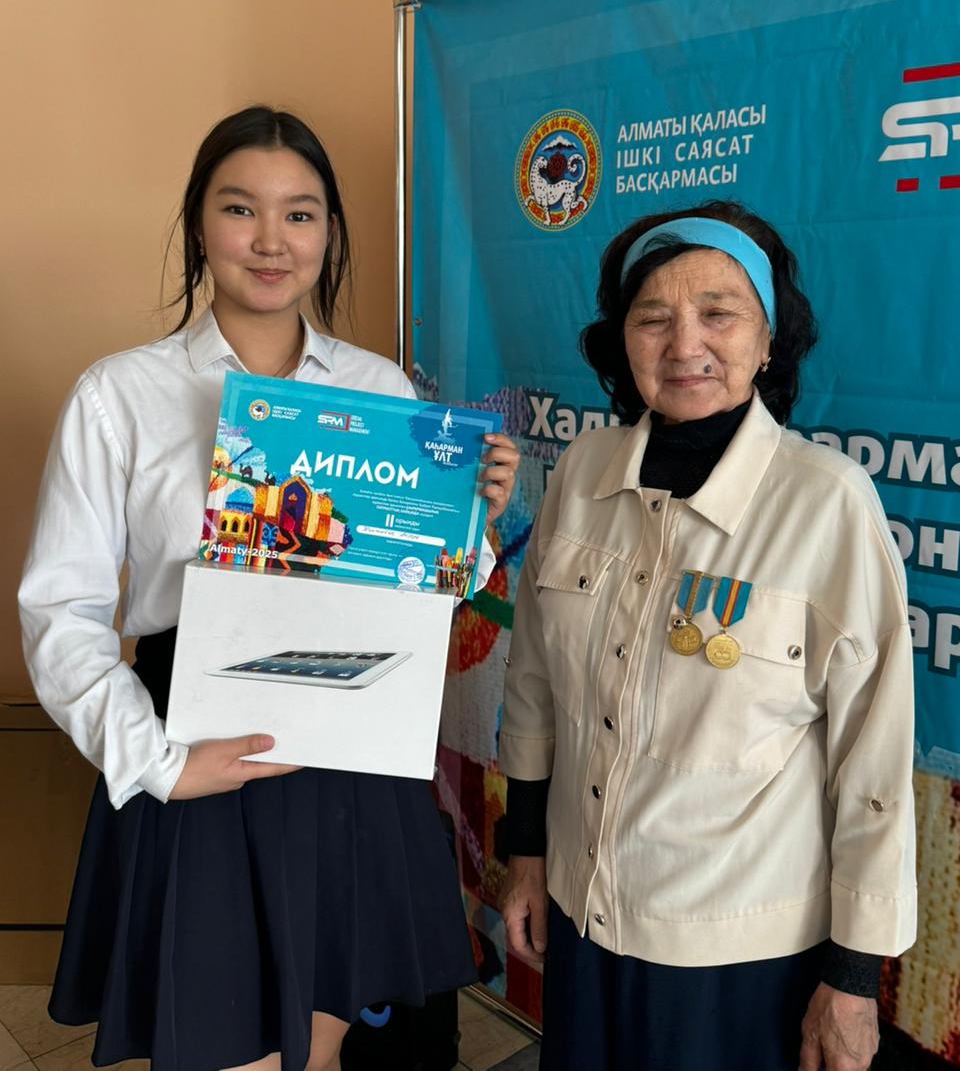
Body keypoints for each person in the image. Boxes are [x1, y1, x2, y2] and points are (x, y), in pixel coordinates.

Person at [19, 106, 520, 1071]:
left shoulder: (379, 388)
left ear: (329, 233)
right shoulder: (119, 394)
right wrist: (159, 762)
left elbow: (427, 597)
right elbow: (59, 611)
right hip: (197, 744)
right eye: (240, 208)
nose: (270, 240)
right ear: (198, 224)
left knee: (318, 1052)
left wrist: (472, 526)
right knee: (226, 1052)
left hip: (351, 752)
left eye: (300, 214)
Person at [498, 201, 916, 1071]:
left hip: (736, 958)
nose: (685, 343)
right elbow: (533, 685)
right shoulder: (579, 474)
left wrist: (851, 977)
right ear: (622, 342)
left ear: (769, 342)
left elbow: (872, 761)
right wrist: (527, 856)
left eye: (718, 313)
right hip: (581, 914)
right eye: (653, 317)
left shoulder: (828, 503)